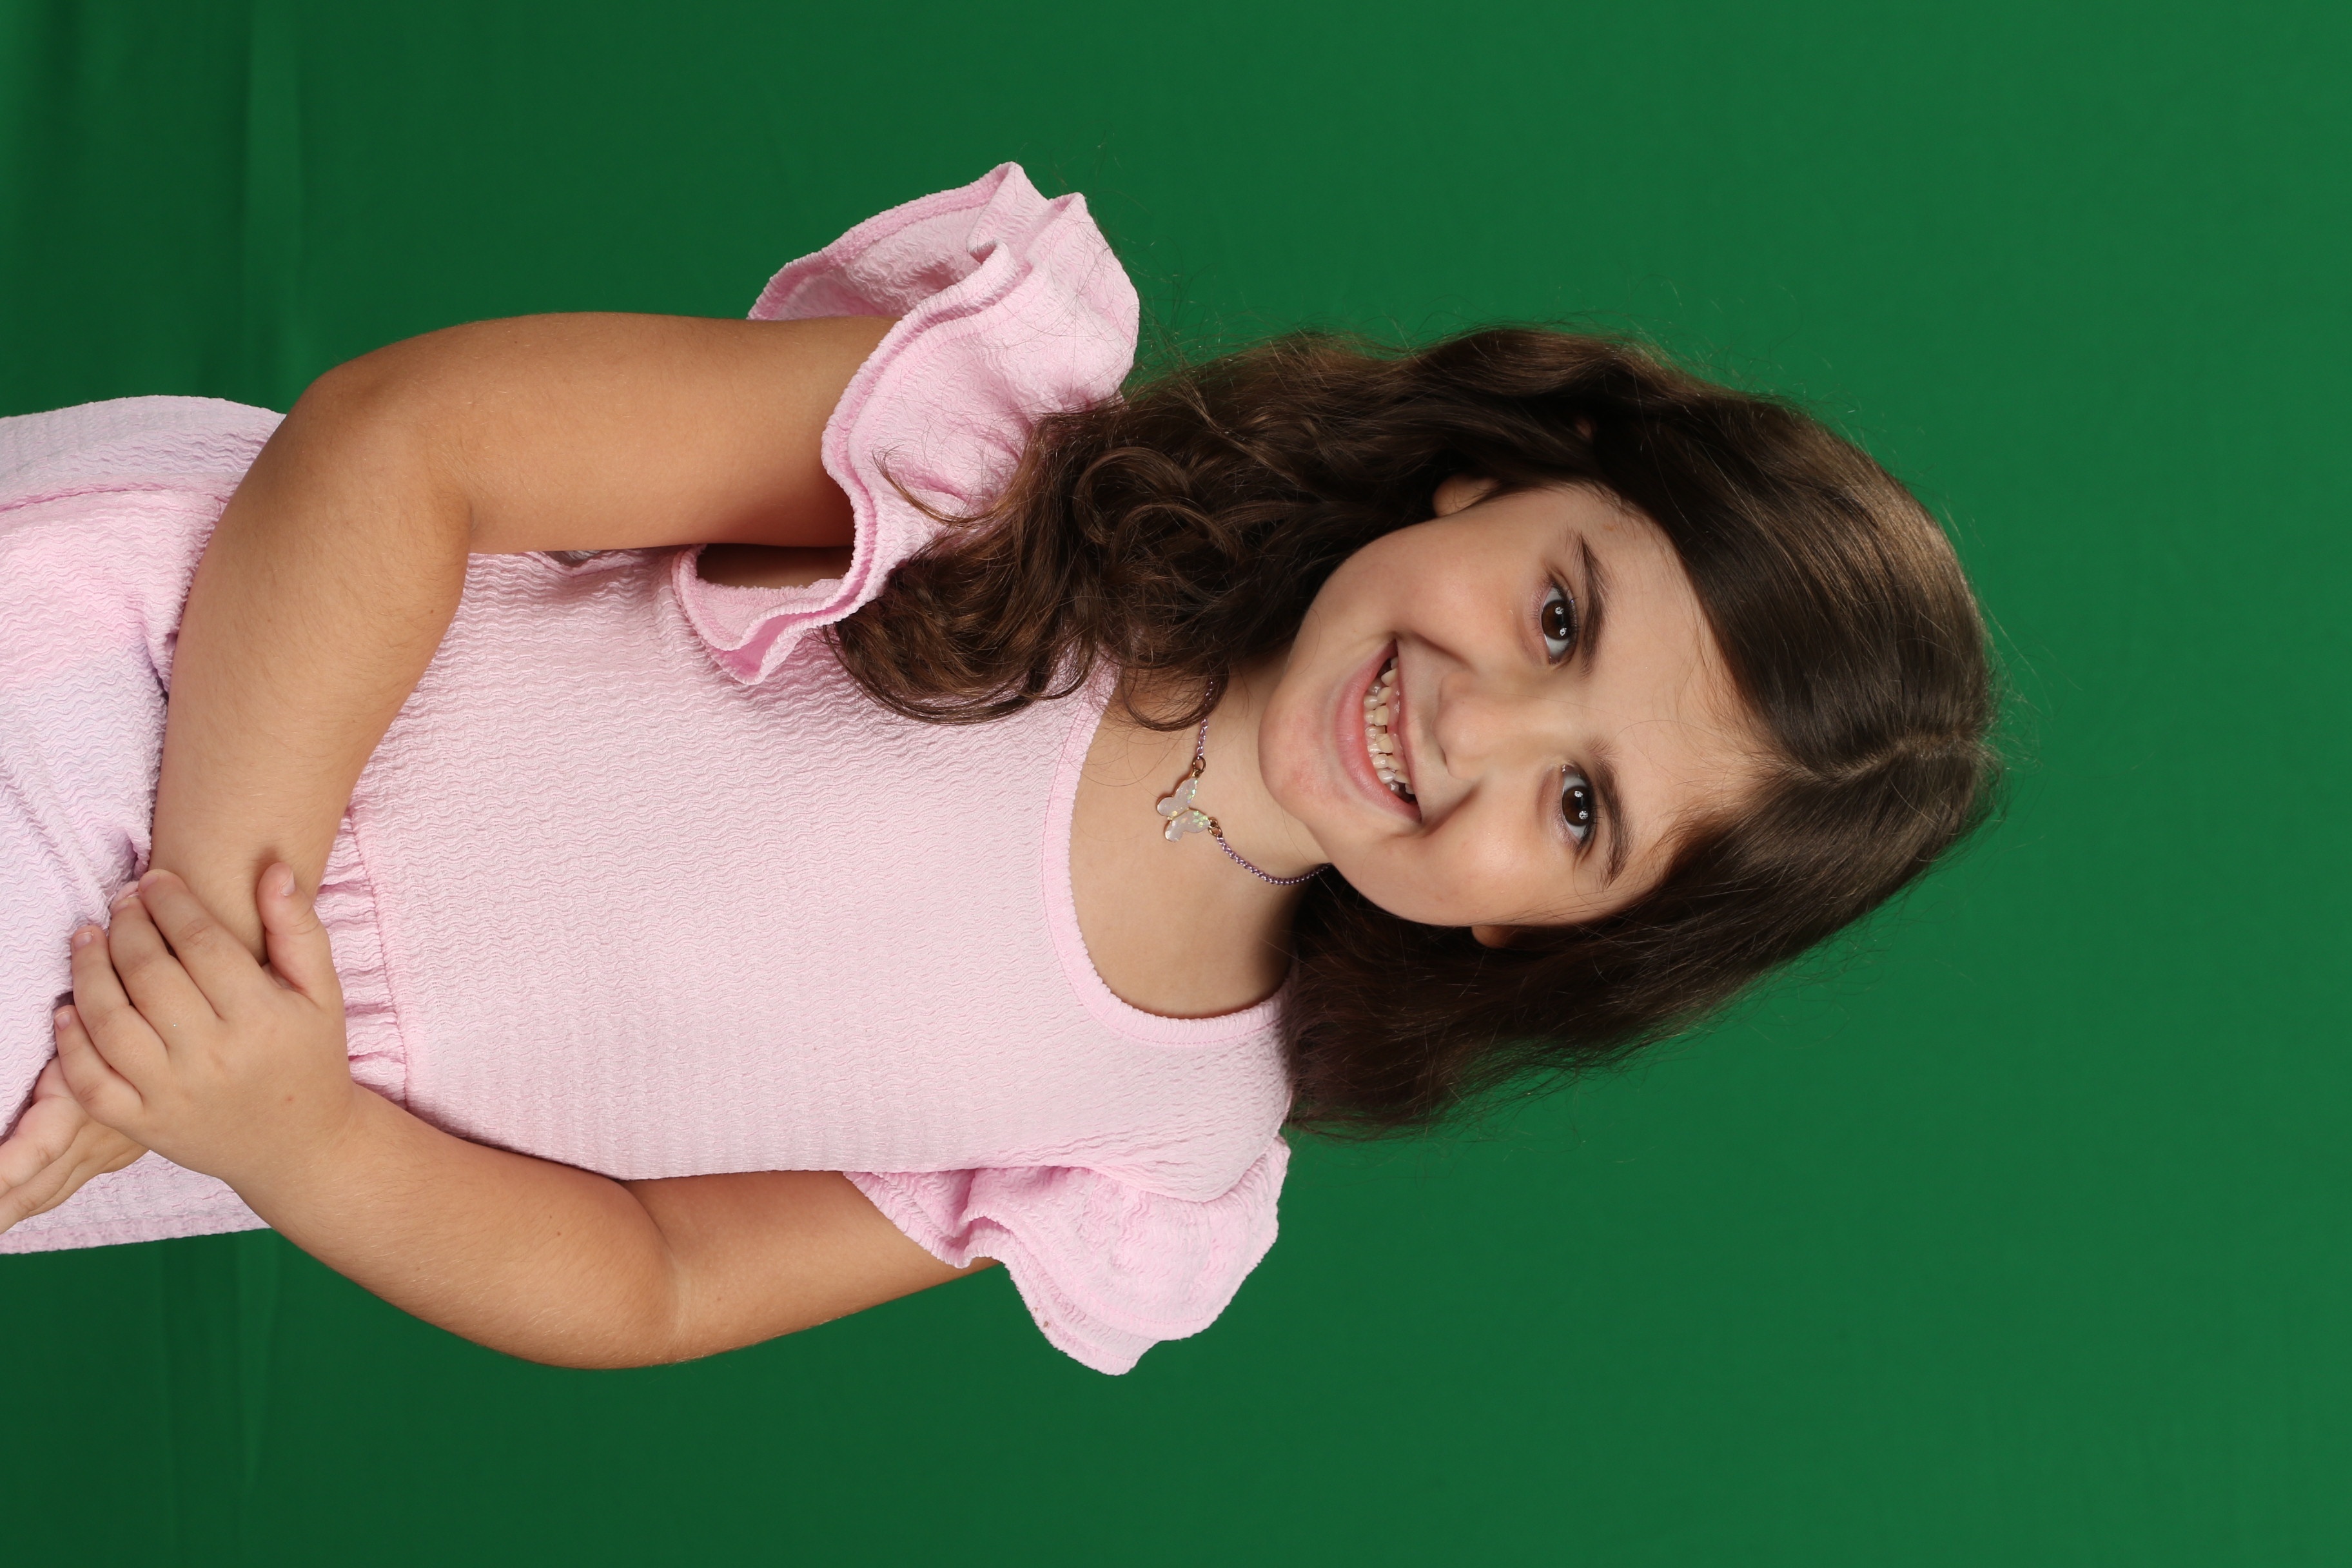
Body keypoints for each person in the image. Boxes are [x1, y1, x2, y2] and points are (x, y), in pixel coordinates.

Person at [0, 164, 1998, 1373]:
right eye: (1561, 615)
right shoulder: (1001, 469)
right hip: (164, 706)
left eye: (1582, 811)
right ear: (1501, 473)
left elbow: (657, 1281)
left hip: (179, 1096)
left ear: (1548, 933)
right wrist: (204, 952)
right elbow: (405, 447)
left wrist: (290, 1133)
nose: (1480, 729)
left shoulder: (1161, 1141)